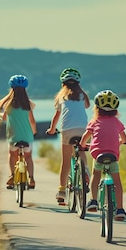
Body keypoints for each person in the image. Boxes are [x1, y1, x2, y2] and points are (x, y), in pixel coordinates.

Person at [80, 90, 126, 221]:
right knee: (117, 181)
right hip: (113, 156)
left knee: (96, 176)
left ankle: (94, 201)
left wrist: (82, 144)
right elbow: (124, 138)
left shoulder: (94, 121)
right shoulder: (117, 122)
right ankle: (120, 209)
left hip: (98, 155)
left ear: (96, 108)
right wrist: (121, 142)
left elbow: (86, 136)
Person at [45, 68, 90, 205]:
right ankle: (86, 172)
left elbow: (56, 116)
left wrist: (52, 130)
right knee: (81, 150)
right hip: (83, 129)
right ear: (78, 83)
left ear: (63, 84)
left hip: (67, 130)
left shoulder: (60, 97)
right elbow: (87, 107)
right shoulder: (83, 95)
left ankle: (62, 191)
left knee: (66, 161)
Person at [0, 74, 37, 189]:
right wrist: (33, 132)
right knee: (28, 157)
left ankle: (11, 176)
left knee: (12, 155)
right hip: (27, 137)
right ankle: (31, 178)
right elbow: (32, 122)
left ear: (11, 88)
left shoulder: (8, 105)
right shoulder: (28, 105)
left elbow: (4, 118)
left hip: (13, 137)